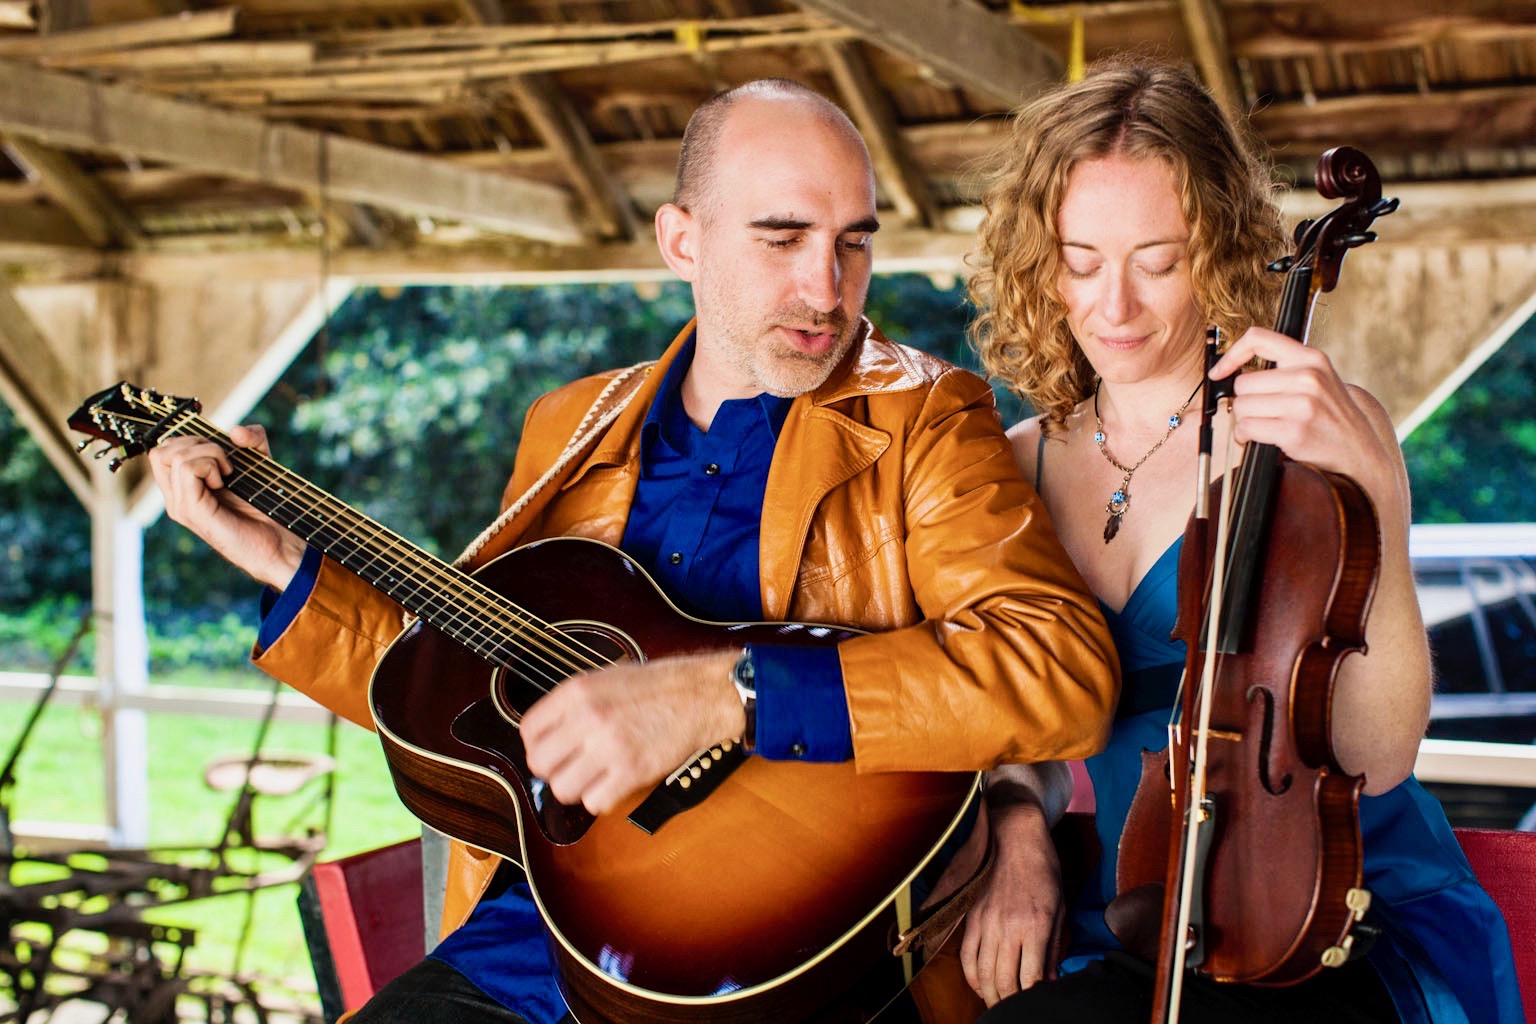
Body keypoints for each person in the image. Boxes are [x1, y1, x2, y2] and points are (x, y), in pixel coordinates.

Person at [146, 78, 1120, 1024]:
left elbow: (1055, 667)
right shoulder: (568, 430)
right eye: (782, 239)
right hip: (543, 939)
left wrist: (721, 696)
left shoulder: (925, 415)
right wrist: (284, 563)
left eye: (852, 244)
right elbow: (462, 703)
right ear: (681, 239)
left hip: (795, 954)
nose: (826, 288)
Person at [950, 58, 1524, 1024]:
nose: (1114, 307)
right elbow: (1022, 723)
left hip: (1328, 903)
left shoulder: (1311, 428)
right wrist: (1016, 827)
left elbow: (1380, 756)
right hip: (1138, 909)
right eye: (1080, 261)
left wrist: (1377, 488)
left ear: (1217, 247)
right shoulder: (1014, 469)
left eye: (1158, 261)